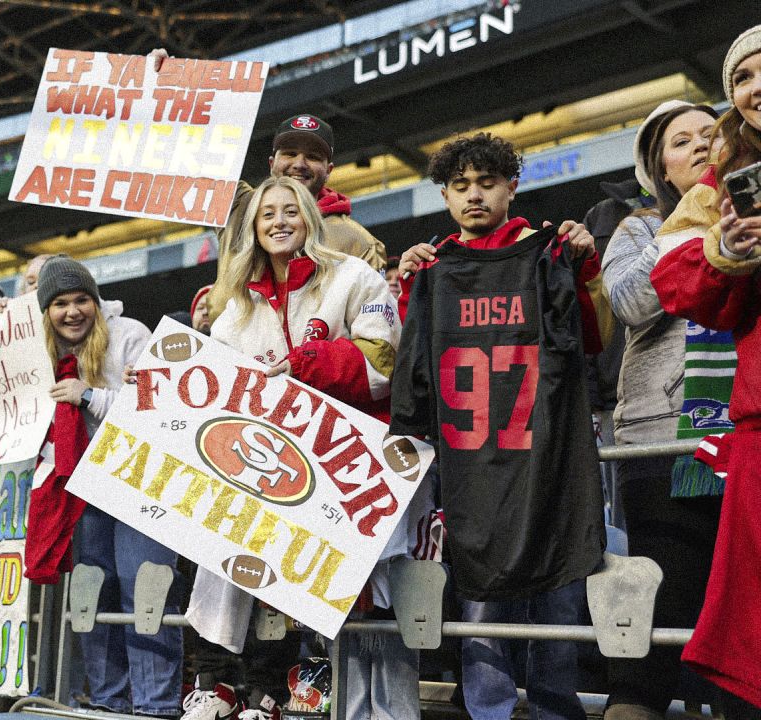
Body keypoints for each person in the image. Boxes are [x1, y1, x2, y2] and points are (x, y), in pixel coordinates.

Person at [392, 133, 607, 720]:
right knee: (480, 605)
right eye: (460, 186)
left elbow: (592, 340)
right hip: (474, 470)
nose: (475, 196)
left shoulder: (548, 254)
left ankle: (555, 711)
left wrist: (582, 267)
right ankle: (488, 713)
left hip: (550, 460)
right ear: (444, 195)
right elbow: (411, 374)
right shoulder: (434, 268)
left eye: (487, 183)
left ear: (512, 186)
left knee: (557, 599)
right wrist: (411, 286)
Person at [182, 176, 405, 720]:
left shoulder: (353, 277)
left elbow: (384, 360)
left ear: (309, 217)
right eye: (266, 215)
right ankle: (270, 696)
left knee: (345, 594)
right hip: (265, 467)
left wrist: (305, 366)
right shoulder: (234, 305)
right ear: (253, 230)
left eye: (290, 211)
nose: (279, 222)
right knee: (256, 578)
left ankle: (357, 708)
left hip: (345, 466)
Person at [651, 25, 761, 718]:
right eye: (743, 76)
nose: (757, 86)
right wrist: (727, 249)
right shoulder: (721, 186)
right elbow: (676, 290)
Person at [600, 100, 722, 720]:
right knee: (663, 603)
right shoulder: (639, 229)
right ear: (661, 169)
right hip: (660, 444)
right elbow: (630, 302)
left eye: (712, 133)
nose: (701, 145)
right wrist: (700, 224)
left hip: (745, 437)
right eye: (682, 142)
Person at [30, 255, 183, 717]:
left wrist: (89, 395)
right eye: (60, 303)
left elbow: (158, 409)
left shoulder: (130, 334)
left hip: (140, 483)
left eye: (81, 300)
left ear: (96, 302)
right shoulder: (35, 355)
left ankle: (155, 706)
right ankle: (107, 702)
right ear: (45, 311)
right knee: (91, 593)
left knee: (147, 588)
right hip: (81, 489)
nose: (73, 311)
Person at [204, 112, 387, 325]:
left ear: (328, 170)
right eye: (290, 153)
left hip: (311, 355)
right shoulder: (239, 205)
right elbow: (194, 157)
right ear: (272, 163)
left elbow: (374, 322)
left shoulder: (358, 241)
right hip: (224, 350)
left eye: (313, 156)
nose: (300, 163)